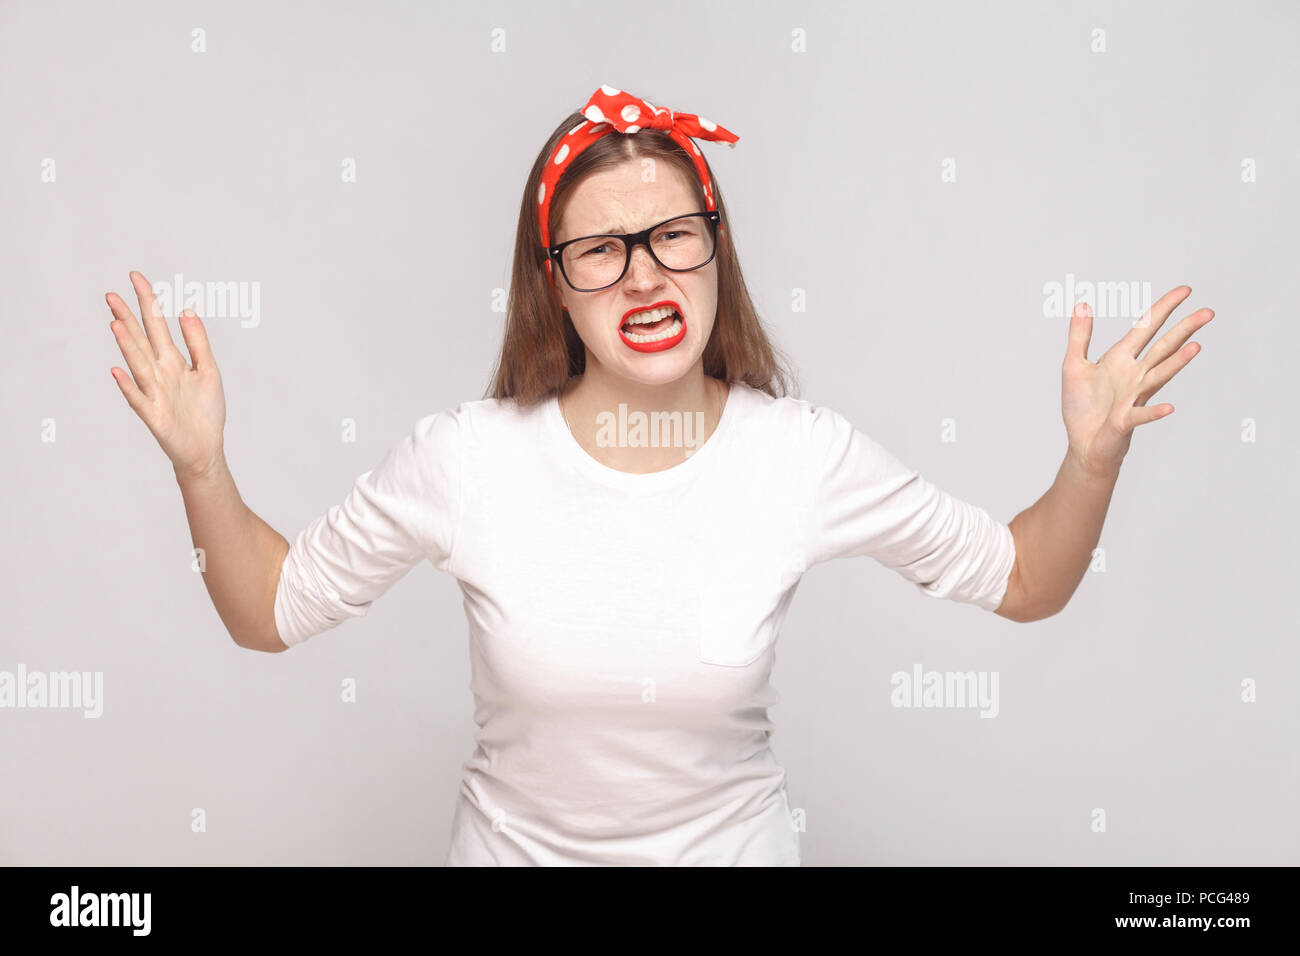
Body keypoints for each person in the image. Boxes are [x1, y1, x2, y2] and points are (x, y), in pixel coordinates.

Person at [104, 85, 1214, 866]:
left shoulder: (798, 452)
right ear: (556, 284)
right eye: (601, 248)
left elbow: (1025, 577)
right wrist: (202, 466)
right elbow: (271, 608)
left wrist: (1090, 459)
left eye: (673, 235)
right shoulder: (466, 457)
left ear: (713, 250)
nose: (644, 272)